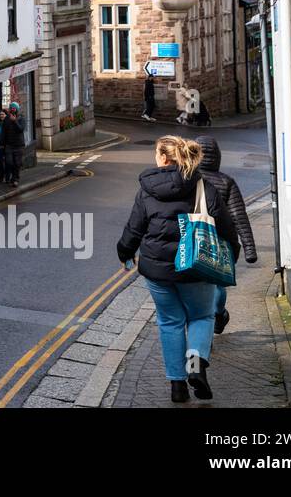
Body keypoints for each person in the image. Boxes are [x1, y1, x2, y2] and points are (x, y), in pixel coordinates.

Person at [117, 135, 239, 403]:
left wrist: (124, 253)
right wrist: (232, 257)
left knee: (170, 323)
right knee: (201, 317)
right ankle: (195, 367)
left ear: (162, 157)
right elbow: (227, 229)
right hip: (196, 267)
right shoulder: (203, 187)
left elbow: (134, 229)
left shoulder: (147, 189)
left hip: (158, 270)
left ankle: (177, 387)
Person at [196, 136, 256, 334]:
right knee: (217, 284)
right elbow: (239, 216)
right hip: (220, 243)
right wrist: (249, 249)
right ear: (217, 157)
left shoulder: (187, 179)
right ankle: (218, 315)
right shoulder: (226, 182)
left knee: (196, 286)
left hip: (193, 241)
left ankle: (202, 328)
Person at [0, 103, 26, 188]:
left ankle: (15, 180)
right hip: (9, 145)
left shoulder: (21, 119)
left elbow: (20, 129)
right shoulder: (6, 119)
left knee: (17, 164)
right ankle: (12, 177)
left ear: (17, 110)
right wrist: (2, 144)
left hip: (19, 145)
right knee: (9, 162)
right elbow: (3, 132)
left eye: (14, 109)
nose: (12, 110)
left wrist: (14, 121)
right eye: (11, 108)